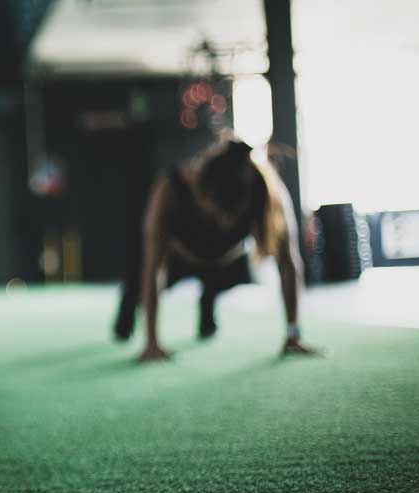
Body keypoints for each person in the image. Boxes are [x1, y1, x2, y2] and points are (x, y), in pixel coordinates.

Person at [122, 137, 316, 362]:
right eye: (217, 214)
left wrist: (293, 333)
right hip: (179, 258)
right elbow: (154, 266)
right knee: (134, 292)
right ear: (202, 192)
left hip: (226, 262)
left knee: (224, 281)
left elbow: (288, 263)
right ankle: (126, 314)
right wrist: (152, 342)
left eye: (231, 217)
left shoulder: (266, 192)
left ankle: (207, 300)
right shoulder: (171, 187)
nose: (224, 223)